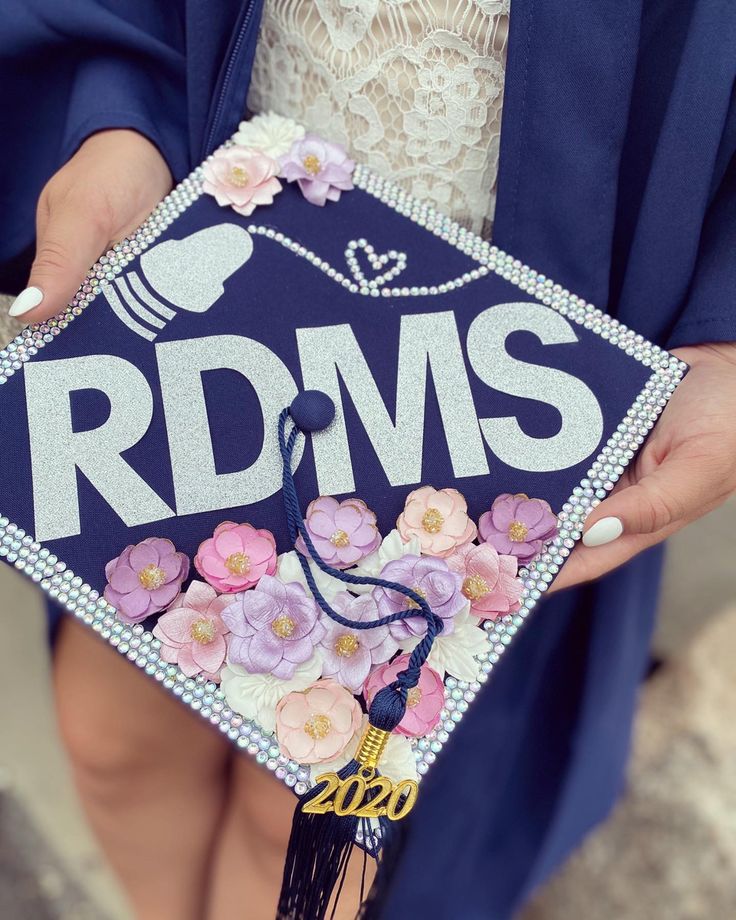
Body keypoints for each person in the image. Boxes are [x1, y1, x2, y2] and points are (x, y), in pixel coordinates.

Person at [2, 2, 736, 918]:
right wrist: (119, 116)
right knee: (115, 739)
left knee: (304, 823)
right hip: (233, 226)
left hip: (495, 364)